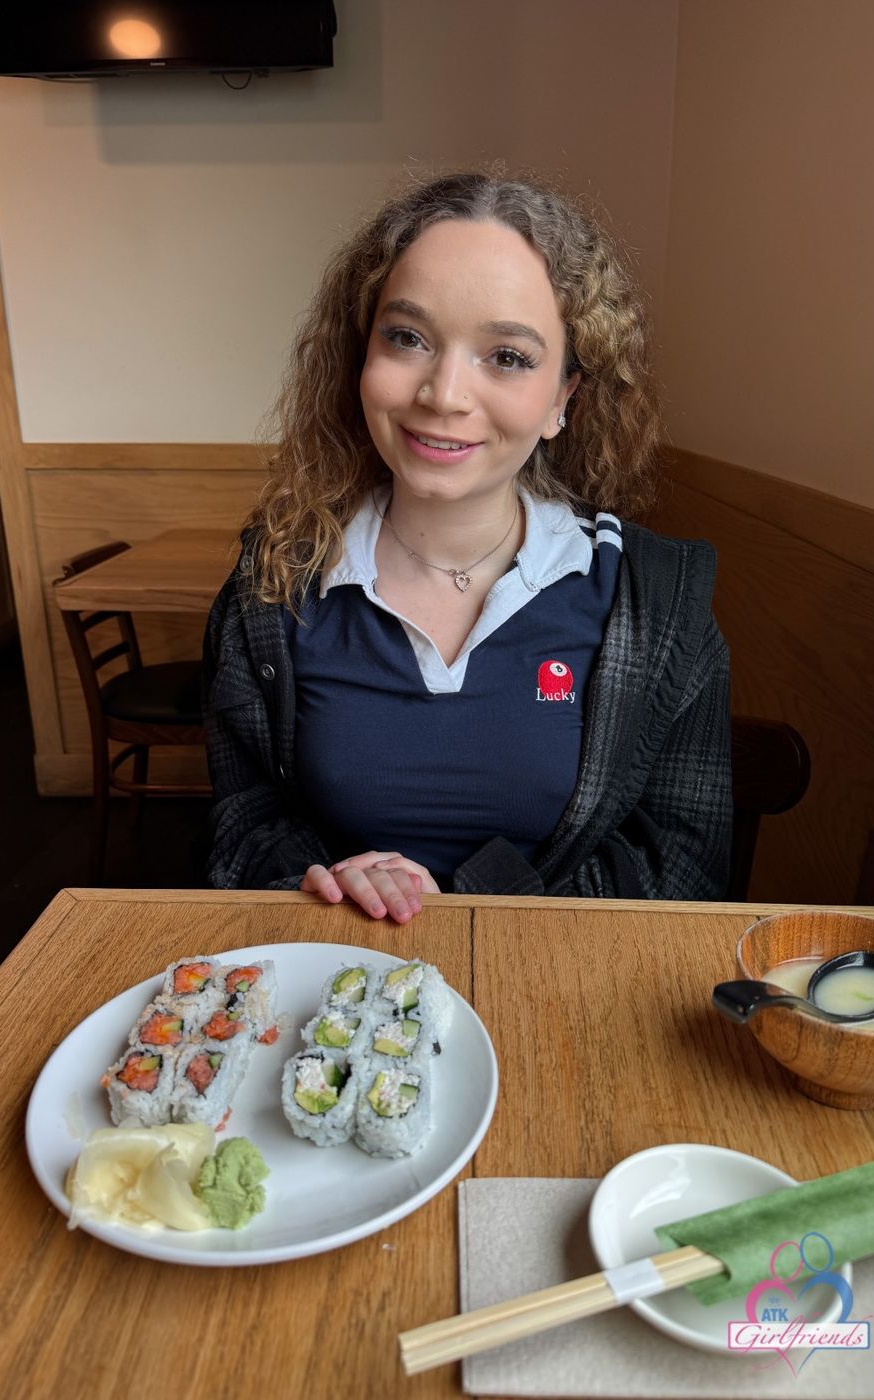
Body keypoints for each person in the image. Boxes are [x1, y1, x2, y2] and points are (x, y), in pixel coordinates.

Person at [203, 171, 732, 921]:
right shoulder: (272, 585)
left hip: (560, 981)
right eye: (407, 338)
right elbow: (242, 827)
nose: (444, 394)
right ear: (361, 357)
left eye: (507, 356)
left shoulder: (656, 603)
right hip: (340, 977)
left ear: (562, 399)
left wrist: (460, 904)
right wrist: (325, 881)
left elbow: (683, 870)